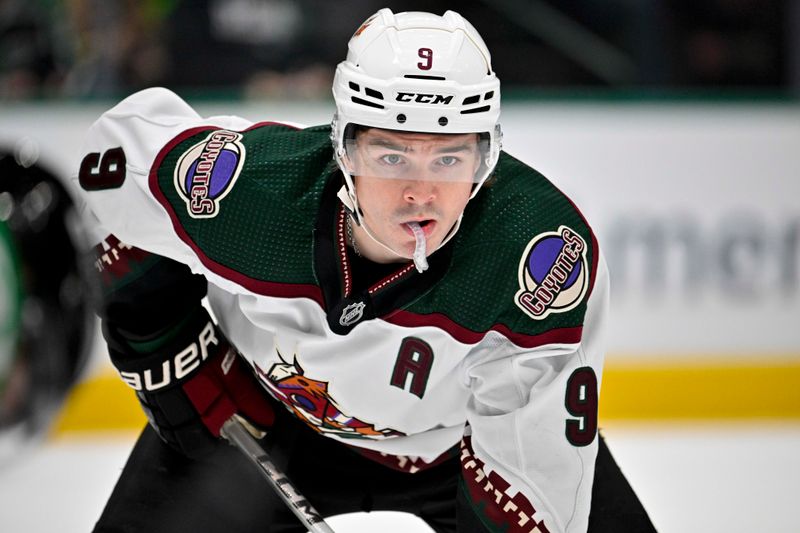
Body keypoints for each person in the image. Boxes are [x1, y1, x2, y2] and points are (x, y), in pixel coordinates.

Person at [73, 8, 655, 533]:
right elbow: (113, 166)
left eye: (449, 158)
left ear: (485, 159)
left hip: (462, 449)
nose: (420, 194)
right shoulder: (248, 190)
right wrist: (159, 343)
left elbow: (536, 485)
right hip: (259, 429)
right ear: (344, 149)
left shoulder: (536, 257)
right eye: (391, 155)